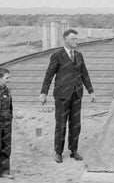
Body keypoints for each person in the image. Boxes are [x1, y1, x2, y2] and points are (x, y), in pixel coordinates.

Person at [40, 29, 95, 163]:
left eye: (76, 39)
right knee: (61, 124)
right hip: (62, 95)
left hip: (76, 94)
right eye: (73, 39)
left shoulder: (79, 55)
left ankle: (73, 150)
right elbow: (49, 74)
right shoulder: (57, 55)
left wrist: (91, 91)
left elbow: (84, 74)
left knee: (76, 124)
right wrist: (43, 93)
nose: (76, 41)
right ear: (65, 40)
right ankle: (58, 152)